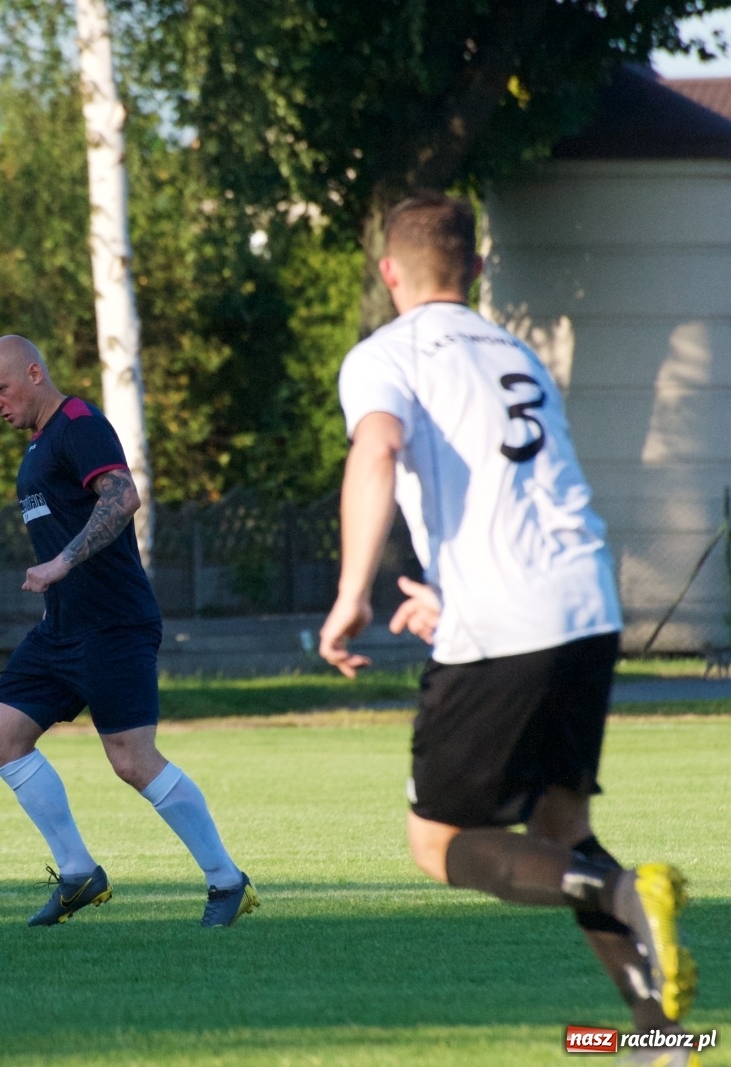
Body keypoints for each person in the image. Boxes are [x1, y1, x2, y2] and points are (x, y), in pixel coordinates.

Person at [318, 193, 698, 1064]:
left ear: (389, 272)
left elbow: (374, 449)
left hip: (506, 619)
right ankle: (660, 1038)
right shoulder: (517, 353)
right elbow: (517, 496)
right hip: (587, 604)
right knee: (559, 824)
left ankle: (625, 889)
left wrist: (352, 594)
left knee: (437, 842)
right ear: (478, 270)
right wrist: (449, 589)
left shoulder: (387, 354)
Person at [0, 335, 257, 928]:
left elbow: (124, 496)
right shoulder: (36, 446)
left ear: (33, 373)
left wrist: (63, 562)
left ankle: (226, 881)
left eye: (0, 389)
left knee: (132, 760)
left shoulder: (78, 422)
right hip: (61, 629)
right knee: (1, 739)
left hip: (113, 624)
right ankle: (79, 874)